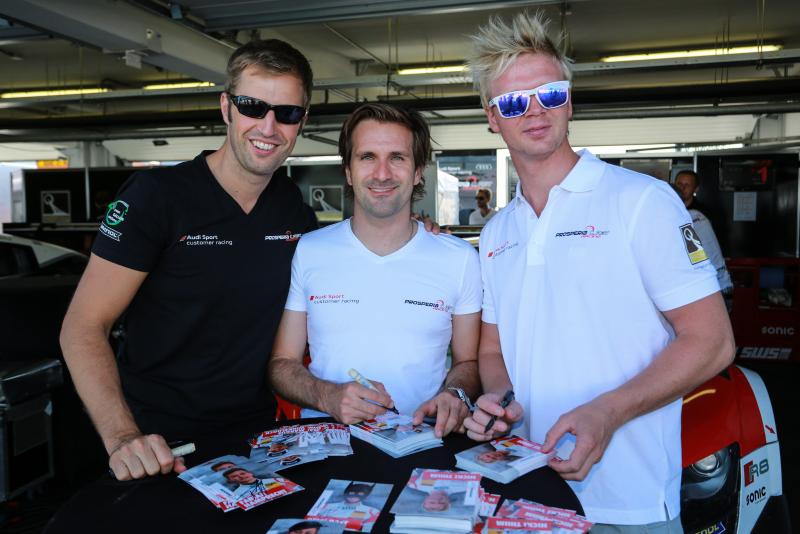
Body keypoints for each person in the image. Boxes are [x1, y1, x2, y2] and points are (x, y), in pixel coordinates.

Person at [463, 12, 734, 531]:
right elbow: (494, 352)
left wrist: (608, 412)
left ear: (570, 101)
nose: (535, 110)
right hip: (527, 493)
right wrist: (499, 399)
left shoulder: (641, 201)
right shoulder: (497, 232)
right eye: (514, 101)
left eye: (550, 93)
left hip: (629, 501)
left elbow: (713, 341)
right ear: (492, 117)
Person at [59, 39, 317, 481]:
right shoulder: (156, 198)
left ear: (302, 121)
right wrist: (122, 436)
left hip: (255, 440)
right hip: (156, 444)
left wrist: (417, 233)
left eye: (287, 112)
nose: (269, 126)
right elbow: (82, 325)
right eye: (253, 107)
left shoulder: (293, 209)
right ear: (226, 107)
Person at [269, 103, 481, 437]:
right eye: (367, 157)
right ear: (348, 171)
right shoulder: (310, 250)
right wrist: (327, 395)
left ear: (417, 171)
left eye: (397, 157)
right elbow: (282, 363)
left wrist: (455, 395)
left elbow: (468, 362)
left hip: (421, 444)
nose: (382, 173)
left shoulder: (460, 258)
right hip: (326, 445)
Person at [671, 178, 734, 307]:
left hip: (714, 288)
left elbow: (698, 258)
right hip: (716, 285)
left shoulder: (691, 219)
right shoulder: (689, 217)